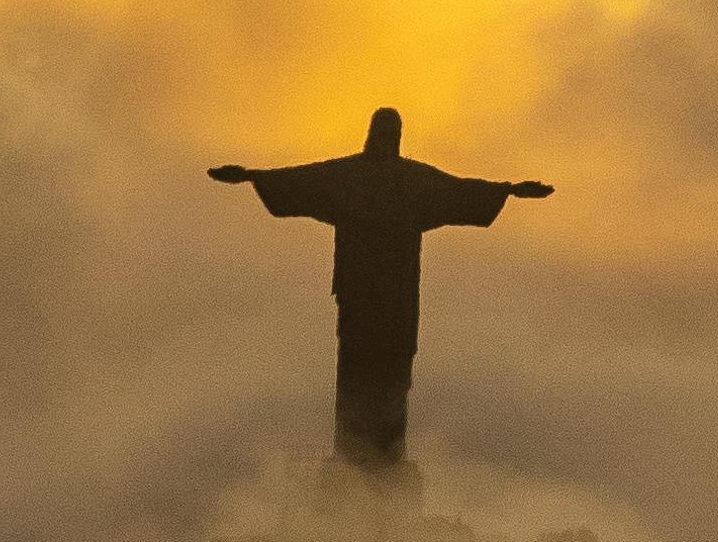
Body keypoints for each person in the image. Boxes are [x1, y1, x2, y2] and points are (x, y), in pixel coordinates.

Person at [210, 107, 553, 467]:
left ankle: (378, 457)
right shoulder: (394, 180)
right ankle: (361, 457)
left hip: (380, 299)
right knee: (366, 371)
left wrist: (510, 190)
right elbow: (457, 191)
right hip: (380, 298)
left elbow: (302, 182)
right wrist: (251, 176)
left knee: (382, 372)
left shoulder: (360, 178)